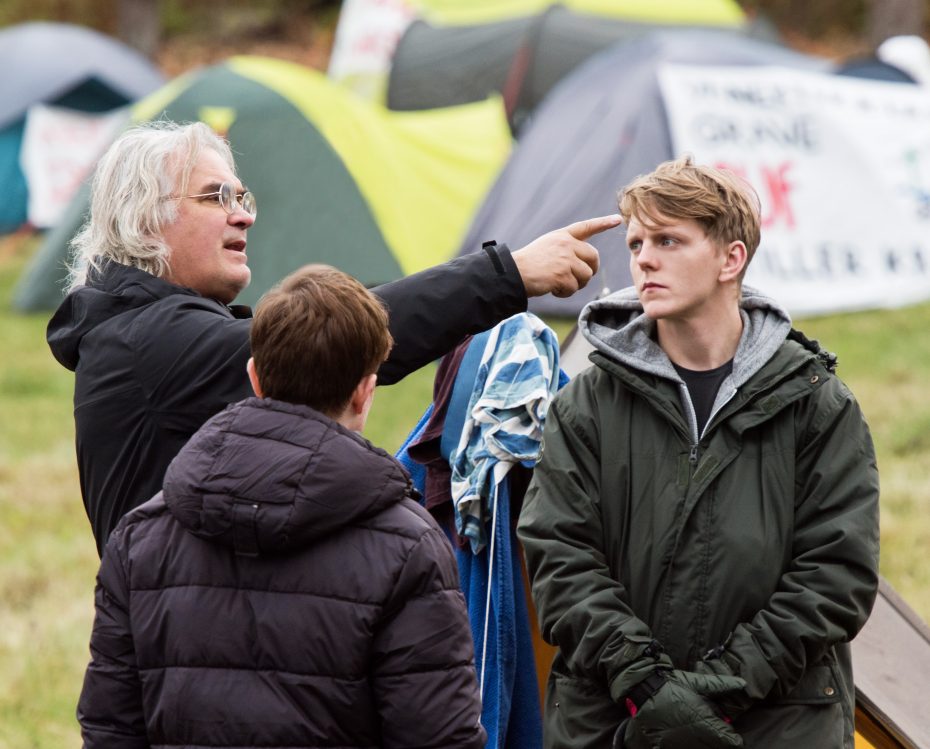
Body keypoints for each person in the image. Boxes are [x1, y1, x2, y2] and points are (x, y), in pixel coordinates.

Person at [46, 120, 618, 554]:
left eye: (241, 197)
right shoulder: (148, 341)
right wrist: (508, 274)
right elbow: (330, 336)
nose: (243, 215)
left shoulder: (150, 329)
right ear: (144, 218)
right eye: (216, 197)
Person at [517, 156, 880, 749]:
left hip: (775, 724)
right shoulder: (585, 404)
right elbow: (561, 559)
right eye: (636, 243)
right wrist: (650, 690)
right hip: (616, 722)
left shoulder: (816, 403)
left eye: (668, 240)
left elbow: (836, 574)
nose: (643, 259)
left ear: (730, 259)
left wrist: (717, 691)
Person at [78, 263, 488, 748]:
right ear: (365, 391)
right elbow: (439, 736)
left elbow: (110, 731)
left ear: (253, 376)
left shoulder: (139, 538)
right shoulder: (410, 547)